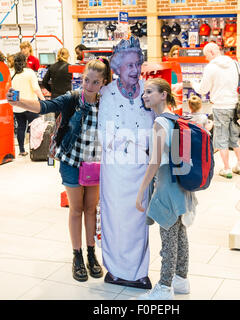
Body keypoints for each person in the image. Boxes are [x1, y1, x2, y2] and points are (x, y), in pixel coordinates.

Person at [7, 58, 112, 282]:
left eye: (95, 82)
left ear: (103, 82)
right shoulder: (72, 99)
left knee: (91, 209)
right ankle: (77, 255)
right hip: (71, 161)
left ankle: (91, 253)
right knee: (76, 209)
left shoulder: (107, 103)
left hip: (94, 164)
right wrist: (19, 100)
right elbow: (45, 106)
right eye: (86, 80)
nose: (89, 85)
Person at [98, 36, 155, 289]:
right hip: (116, 170)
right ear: (117, 68)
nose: (135, 70)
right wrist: (134, 144)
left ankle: (138, 271)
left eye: (137, 64)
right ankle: (115, 269)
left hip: (143, 170)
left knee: (138, 220)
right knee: (116, 219)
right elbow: (104, 133)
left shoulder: (148, 89)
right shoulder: (108, 94)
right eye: (129, 65)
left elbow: (158, 122)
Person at [136, 78, 197, 300]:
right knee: (180, 232)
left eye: (150, 91)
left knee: (168, 235)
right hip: (180, 184)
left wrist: (142, 189)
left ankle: (164, 287)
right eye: (144, 92)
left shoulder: (160, 122)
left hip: (166, 186)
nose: (145, 95)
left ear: (163, 95)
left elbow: (154, 162)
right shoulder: (176, 118)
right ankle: (181, 279)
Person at [192, 42, 240, 179]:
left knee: (221, 139)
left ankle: (226, 169)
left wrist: (193, 83)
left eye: (206, 55)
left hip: (220, 106)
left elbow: (203, 90)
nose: (206, 59)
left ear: (211, 52)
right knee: (234, 137)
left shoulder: (211, 67)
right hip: (235, 105)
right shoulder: (233, 63)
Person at [11, 52, 45, 156]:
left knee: (21, 127)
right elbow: (36, 89)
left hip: (18, 107)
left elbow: (12, 91)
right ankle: (35, 150)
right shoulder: (29, 72)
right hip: (30, 105)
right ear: (25, 61)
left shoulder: (12, 73)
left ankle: (21, 150)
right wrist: (43, 100)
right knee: (35, 127)